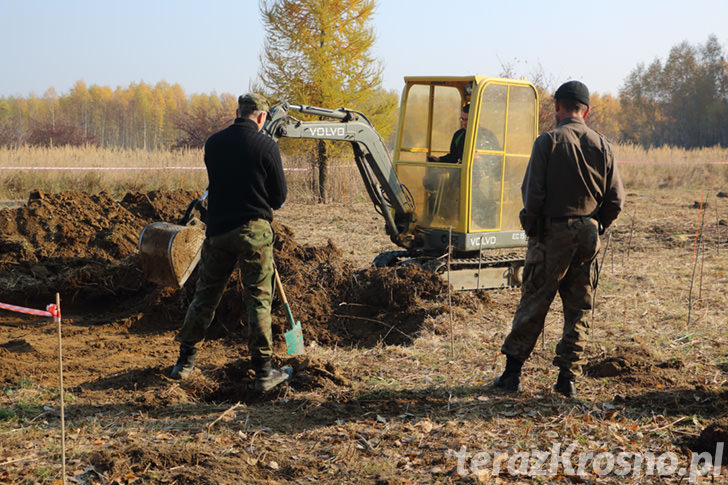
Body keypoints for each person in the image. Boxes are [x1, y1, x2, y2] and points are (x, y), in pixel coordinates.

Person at [493, 80, 625, 397]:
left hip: (552, 233)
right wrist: (597, 226)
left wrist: (534, 229)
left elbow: (533, 194)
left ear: (557, 107)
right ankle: (568, 381)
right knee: (579, 308)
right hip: (588, 235)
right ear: (587, 111)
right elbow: (617, 199)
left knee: (534, 301)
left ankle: (512, 376)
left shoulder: (548, 142)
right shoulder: (603, 146)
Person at [170, 93, 293, 392]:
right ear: (262, 117)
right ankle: (264, 372)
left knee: (205, 296)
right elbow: (279, 198)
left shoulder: (213, 143)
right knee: (258, 300)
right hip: (253, 233)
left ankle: (184, 363)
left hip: (218, 232)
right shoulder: (267, 146)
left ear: (238, 112)